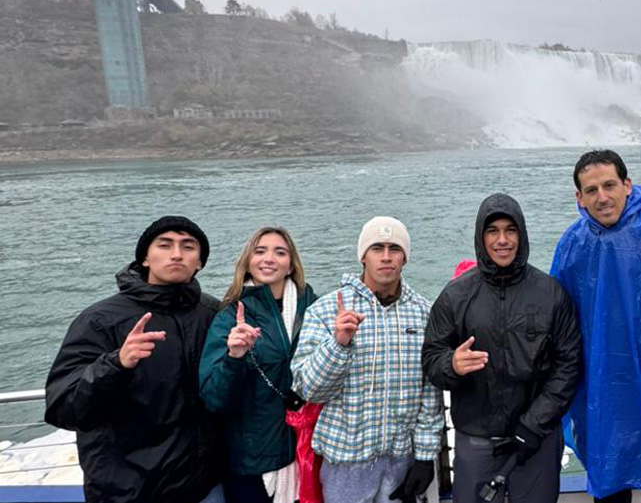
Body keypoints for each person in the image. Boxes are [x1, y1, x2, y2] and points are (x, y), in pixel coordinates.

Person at [550, 149, 641, 502]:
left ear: (628, 185)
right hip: (602, 389)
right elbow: (555, 317)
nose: (602, 197)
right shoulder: (572, 244)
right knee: (610, 480)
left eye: (609, 185)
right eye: (591, 190)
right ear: (579, 197)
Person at [45, 216, 224, 503]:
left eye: (188, 247)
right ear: (145, 258)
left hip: (205, 486)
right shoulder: (101, 320)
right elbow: (63, 407)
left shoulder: (213, 314)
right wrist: (116, 364)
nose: (177, 254)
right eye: (165, 245)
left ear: (200, 262)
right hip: (129, 491)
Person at [423, 193, 582, 503]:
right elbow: (431, 359)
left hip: (537, 441)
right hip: (476, 442)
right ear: (480, 237)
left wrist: (534, 424)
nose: (502, 240)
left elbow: (569, 364)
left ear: (521, 235)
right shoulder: (455, 296)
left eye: (511, 230)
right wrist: (451, 365)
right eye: (492, 231)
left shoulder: (551, 294)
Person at [291, 216, 444, 503]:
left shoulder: (425, 312)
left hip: (401, 460)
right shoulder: (325, 310)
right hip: (345, 463)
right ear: (363, 256)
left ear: (405, 257)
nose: (386, 257)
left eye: (394, 248)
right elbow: (308, 388)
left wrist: (424, 457)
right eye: (377, 248)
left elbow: (430, 392)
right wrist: (337, 344)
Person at [199, 227, 318, 503]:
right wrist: (234, 357)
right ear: (248, 261)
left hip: (307, 449)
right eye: (260, 251)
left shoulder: (313, 307)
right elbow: (214, 398)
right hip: (252, 457)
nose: (269, 259)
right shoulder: (230, 317)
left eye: (280, 252)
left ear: (291, 265)